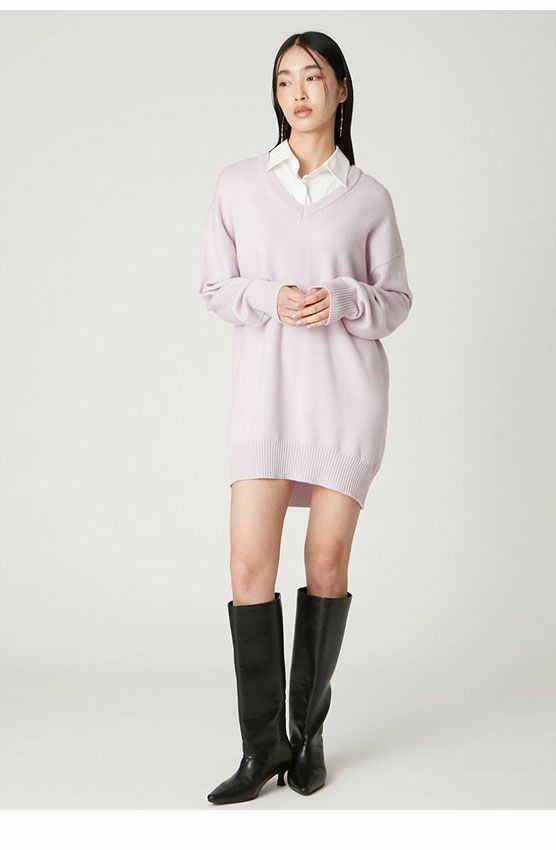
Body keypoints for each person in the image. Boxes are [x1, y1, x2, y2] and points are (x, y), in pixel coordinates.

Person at [198, 31, 413, 805]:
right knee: (248, 570)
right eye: (285, 79)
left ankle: (307, 734)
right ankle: (262, 749)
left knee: (325, 564)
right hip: (267, 399)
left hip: (346, 401)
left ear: (340, 89)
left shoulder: (369, 197)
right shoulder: (238, 184)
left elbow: (395, 301)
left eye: (313, 77)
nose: (297, 91)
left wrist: (344, 298)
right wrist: (269, 296)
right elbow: (215, 287)